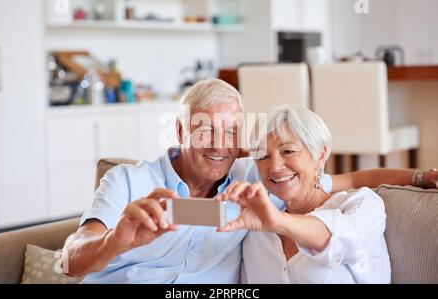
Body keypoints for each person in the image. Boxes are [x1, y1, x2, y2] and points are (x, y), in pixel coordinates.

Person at [62, 79, 438, 283]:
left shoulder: (255, 181)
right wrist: (115, 242)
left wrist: (422, 176)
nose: (219, 146)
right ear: (179, 130)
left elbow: (348, 179)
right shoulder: (128, 181)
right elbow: (73, 260)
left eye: (231, 133)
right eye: (204, 130)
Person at [218, 104, 390, 283]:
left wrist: (278, 222)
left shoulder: (363, 205)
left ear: (320, 156)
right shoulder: (257, 233)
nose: (275, 167)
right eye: (262, 157)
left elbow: (342, 240)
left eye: (288, 151)